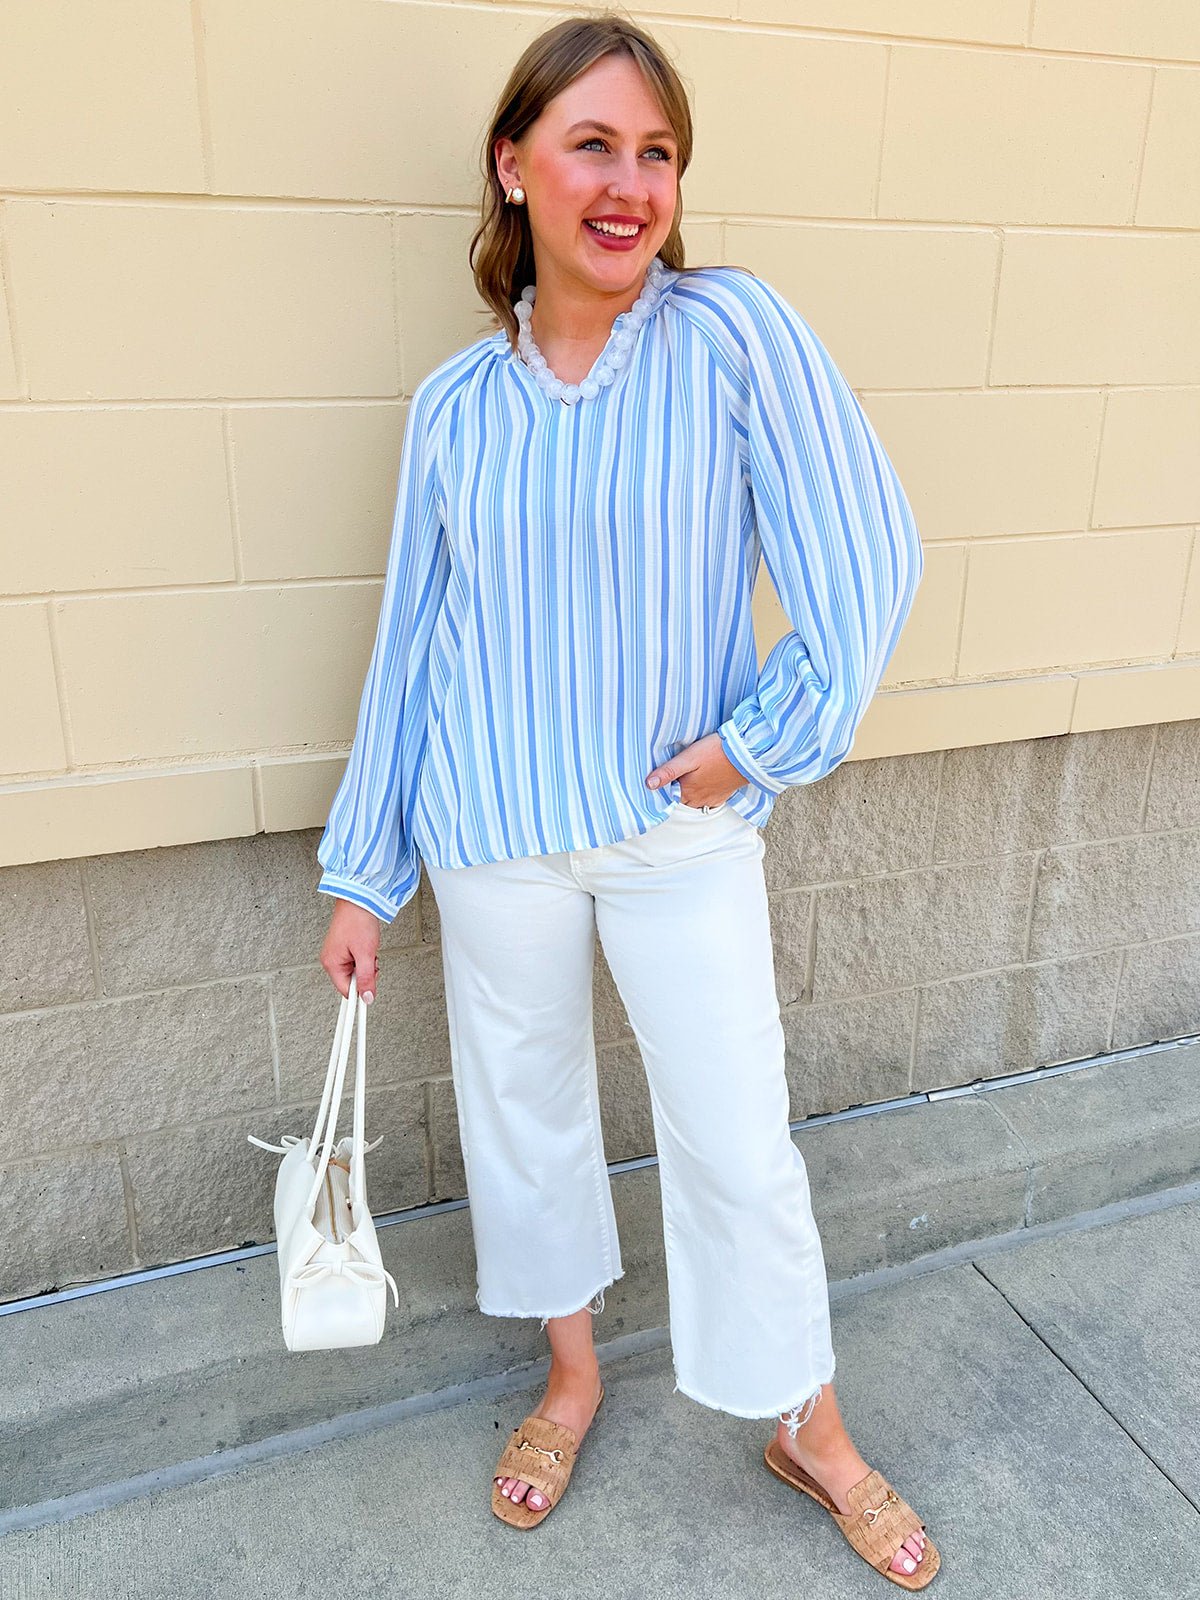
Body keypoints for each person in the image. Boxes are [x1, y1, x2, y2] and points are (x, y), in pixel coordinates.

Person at [318, 9, 937, 1587]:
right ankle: (575, 1376)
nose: (629, 182)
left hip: (675, 831)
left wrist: (763, 742)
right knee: (525, 1118)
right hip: (491, 828)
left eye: (654, 151)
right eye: (592, 143)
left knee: (735, 1132)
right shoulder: (455, 406)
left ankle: (814, 1423)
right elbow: (412, 647)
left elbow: (867, 558)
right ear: (513, 166)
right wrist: (364, 871)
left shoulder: (734, 336)